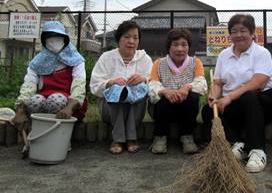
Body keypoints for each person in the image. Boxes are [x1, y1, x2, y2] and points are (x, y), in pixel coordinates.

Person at [201, 14, 272, 173]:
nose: (238, 35)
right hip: (235, 105)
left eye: (243, 30)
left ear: (252, 33)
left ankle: (258, 150)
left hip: (262, 103)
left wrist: (228, 97)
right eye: (234, 31)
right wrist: (214, 96)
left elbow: (258, 82)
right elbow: (218, 83)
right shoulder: (224, 55)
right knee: (207, 110)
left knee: (249, 95)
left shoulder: (261, 53)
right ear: (230, 34)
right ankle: (237, 143)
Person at [90, 20, 152, 155]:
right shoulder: (106, 58)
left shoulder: (145, 59)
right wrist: (111, 83)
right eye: (127, 37)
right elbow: (94, 86)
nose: (131, 41)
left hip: (135, 110)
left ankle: (130, 138)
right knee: (117, 91)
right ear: (119, 39)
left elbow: (153, 84)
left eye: (135, 38)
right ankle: (118, 139)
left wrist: (144, 79)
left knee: (141, 88)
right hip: (109, 109)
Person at [12, 21, 87, 133]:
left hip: (70, 105)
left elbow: (79, 86)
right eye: (50, 37)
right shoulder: (37, 62)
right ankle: (34, 134)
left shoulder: (76, 60)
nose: (54, 39)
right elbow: (29, 85)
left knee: (56, 99)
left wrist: (69, 107)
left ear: (64, 39)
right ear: (44, 40)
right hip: (44, 100)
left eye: (58, 36)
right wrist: (20, 110)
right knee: (35, 101)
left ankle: (60, 136)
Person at [148, 28, 207, 154]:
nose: (180, 49)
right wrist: (165, 92)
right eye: (175, 45)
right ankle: (160, 137)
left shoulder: (195, 62)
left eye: (184, 45)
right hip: (164, 110)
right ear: (168, 47)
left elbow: (201, 84)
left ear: (188, 47)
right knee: (160, 98)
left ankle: (187, 137)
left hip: (185, 109)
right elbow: (152, 86)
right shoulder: (158, 63)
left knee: (193, 97)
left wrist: (187, 88)